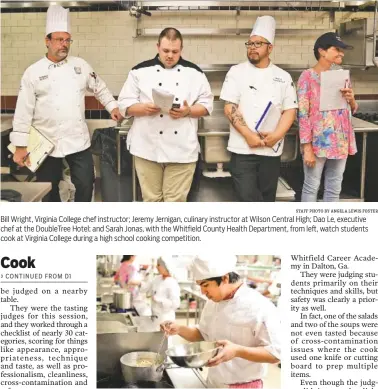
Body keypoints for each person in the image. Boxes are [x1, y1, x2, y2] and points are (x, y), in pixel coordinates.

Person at [10, 5, 122, 202]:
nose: (64, 44)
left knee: (86, 185)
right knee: (48, 190)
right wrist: (20, 145)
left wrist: (112, 106)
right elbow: (23, 111)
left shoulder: (80, 65)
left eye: (68, 39)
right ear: (47, 41)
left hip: (77, 140)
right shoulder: (33, 72)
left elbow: (100, 88)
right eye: (59, 40)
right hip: (47, 142)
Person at [118, 27, 214, 202]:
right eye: (166, 51)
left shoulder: (195, 73)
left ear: (181, 50)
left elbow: (207, 106)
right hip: (146, 148)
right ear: (157, 47)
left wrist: (189, 111)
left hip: (182, 149)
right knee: (151, 200)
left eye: (175, 51)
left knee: (175, 203)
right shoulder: (139, 71)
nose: (170, 55)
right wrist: (143, 108)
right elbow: (124, 104)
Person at [161, 255, 280, 388]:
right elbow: (203, 335)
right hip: (213, 381)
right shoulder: (212, 303)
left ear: (225, 278)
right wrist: (179, 329)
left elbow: (275, 353)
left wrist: (237, 351)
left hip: (244, 385)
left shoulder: (259, 306)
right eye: (200, 285)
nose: (203, 291)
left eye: (205, 285)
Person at [220, 16, 297, 202]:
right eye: (250, 43)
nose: (252, 47)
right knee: (247, 199)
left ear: (270, 48)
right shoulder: (236, 72)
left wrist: (277, 135)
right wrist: (248, 135)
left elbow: (290, 110)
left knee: (267, 199)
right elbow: (230, 107)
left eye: (258, 43)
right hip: (243, 150)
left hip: (271, 152)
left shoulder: (283, 76)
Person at [297, 32, 358, 202]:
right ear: (322, 51)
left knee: (334, 188)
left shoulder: (341, 75)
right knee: (311, 186)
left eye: (342, 50)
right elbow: (302, 114)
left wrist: (351, 99)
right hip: (317, 142)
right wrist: (306, 147)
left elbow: (351, 109)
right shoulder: (307, 77)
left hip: (340, 140)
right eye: (337, 49)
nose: (341, 53)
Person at [140, 257, 181, 325]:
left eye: (158, 265)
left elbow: (176, 303)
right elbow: (144, 289)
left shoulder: (172, 283)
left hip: (165, 319)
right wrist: (140, 281)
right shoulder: (157, 278)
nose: (156, 266)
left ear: (166, 267)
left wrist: (159, 300)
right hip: (154, 315)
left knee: (164, 335)